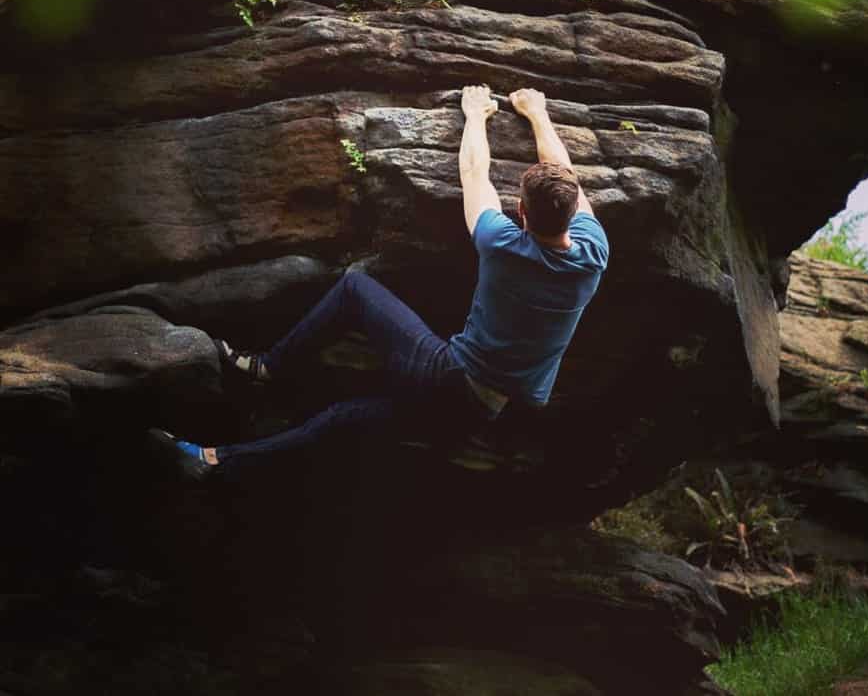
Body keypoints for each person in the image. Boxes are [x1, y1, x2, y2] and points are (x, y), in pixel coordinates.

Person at [153, 86, 609, 481]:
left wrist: (476, 116)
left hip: (444, 376)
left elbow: (474, 173)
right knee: (341, 418)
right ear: (573, 215)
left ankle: (267, 369)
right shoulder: (594, 254)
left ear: (521, 212)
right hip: (485, 411)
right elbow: (566, 176)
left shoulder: (502, 244)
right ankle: (215, 461)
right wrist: (539, 114)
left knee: (355, 289)